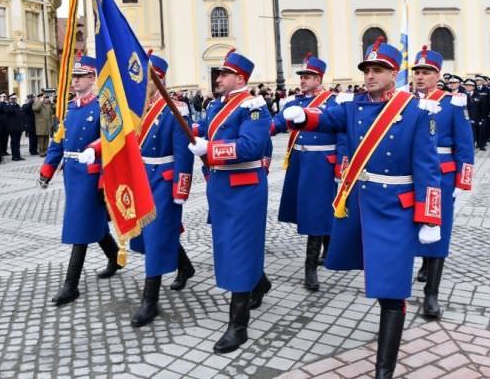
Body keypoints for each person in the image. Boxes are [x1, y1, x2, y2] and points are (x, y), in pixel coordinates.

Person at [282, 38, 441, 378]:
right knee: (377, 280)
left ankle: (384, 371)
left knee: (392, 288)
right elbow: (325, 119)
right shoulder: (352, 106)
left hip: (397, 209)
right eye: (367, 69)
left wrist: (430, 217)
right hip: (360, 204)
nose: (370, 76)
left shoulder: (415, 110)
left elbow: (429, 169)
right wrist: (301, 117)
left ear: (394, 73)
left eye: (377, 70)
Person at [188, 49, 272, 354]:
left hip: (244, 189)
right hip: (222, 188)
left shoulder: (253, 107)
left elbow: (251, 146)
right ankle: (259, 283)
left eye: (223, 74)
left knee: (238, 250)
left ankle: (238, 326)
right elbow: (207, 130)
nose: (218, 78)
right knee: (232, 246)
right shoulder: (216, 106)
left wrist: (210, 148)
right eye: (218, 74)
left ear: (240, 78)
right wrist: (192, 131)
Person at [39, 54, 123, 306]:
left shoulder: (101, 107)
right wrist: (47, 170)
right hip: (72, 174)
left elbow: (112, 142)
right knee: (92, 221)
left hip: (91, 174)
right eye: (73, 77)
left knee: (79, 225)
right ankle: (115, 258)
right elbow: (58, 140)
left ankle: (71, 284)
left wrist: (103, 179)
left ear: (91, 78)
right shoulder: (70, 108)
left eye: (79, 77)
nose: (74, 81)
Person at [128, 54, 195, 327]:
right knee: (152, 234)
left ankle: (150, 301)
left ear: (159, 79)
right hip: (143, 176)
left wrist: (181, 187)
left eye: (147, 79)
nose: (142, 84)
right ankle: (186, 266)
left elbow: (184, 153)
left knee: (156, 238)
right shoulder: (138, 108)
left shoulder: (175, 108)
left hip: (164, 180)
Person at [271, 54, 346, 291]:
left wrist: (339, 165)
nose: (303, 81)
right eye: (302, 76)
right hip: (301, 162)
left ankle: (310, 268)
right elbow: (278, 123)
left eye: (308, 77)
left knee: (316, 213)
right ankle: (329, 248)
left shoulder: (333, 102)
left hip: (322, 163)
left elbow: (343, 135)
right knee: (314, 210)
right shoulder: (295, 103)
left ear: (319, 78)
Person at [411, 47, 474, 319]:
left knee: (438, 231)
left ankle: (431, 295)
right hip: (412, 176)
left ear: (438, 75)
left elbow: (465, 146)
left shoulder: (452, 103)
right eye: (417, 72)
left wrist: (463, 181)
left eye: (426, 72)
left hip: (442, 178)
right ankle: (417, 269)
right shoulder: (407, 102)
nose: (420, 77)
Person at [3, 93, 25, 161]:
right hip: (12, 128)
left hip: (19, 127)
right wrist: (11, 104)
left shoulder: (18, 106)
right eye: (12, 99)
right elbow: (9, 111)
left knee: (18, 143)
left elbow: (21, 115)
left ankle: (18, 155)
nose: (14, 100)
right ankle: (14, 156)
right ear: (10, 99)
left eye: (15, 99)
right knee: (14, 142)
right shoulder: (8, 106)